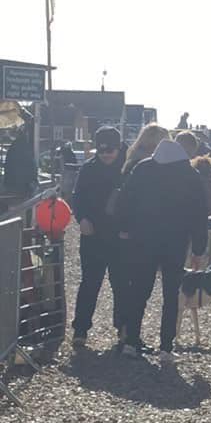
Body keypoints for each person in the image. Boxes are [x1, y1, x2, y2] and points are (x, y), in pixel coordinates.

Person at [116, 139, 209, 364]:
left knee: (139, 290)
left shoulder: (143, 169)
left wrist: (124, 228)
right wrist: (199, 248)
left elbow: (126, 199)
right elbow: (199, 214)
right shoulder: (190, 175)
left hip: (144, 238)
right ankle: (166, 347)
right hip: (175, 241)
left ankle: (131, 342)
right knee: (171, 295)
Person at [70, 126, 127, 347]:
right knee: (89, 283)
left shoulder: (128, 169)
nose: (105, 154)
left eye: (109, 150)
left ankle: (123, 327)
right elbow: (77, 197)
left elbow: (136, 202)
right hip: (92, 235)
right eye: (101, 150)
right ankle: (80, 330)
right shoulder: (88, 168)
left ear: (118, 147)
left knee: (121, 284)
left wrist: (130, 227)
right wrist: (82, 218)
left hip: (120, 237)